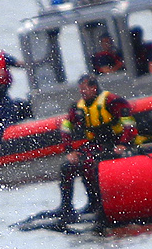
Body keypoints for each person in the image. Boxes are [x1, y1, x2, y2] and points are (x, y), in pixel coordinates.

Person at [57, 74, 139, 223]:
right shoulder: (78, 107)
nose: (82, 92)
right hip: (95, 143)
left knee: (93, 165)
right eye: (80, 89)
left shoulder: (112, 101)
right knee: (67, 166)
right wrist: (69, 151)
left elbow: (129, 124)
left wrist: (123, 144)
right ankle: (67, 208)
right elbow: (65, 127)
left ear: (94, 88)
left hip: (114, 143)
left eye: (85, 89)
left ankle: (101, 205)